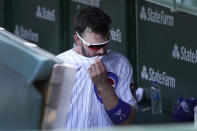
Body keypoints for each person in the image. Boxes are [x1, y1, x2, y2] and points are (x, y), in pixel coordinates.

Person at [57, 7, 137, 129]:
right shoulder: (59, 64)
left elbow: (126, 121)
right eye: (94, 46)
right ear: (78, 40)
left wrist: (103, 85)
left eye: (105, 44)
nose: (101, 50)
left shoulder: (120, 64)